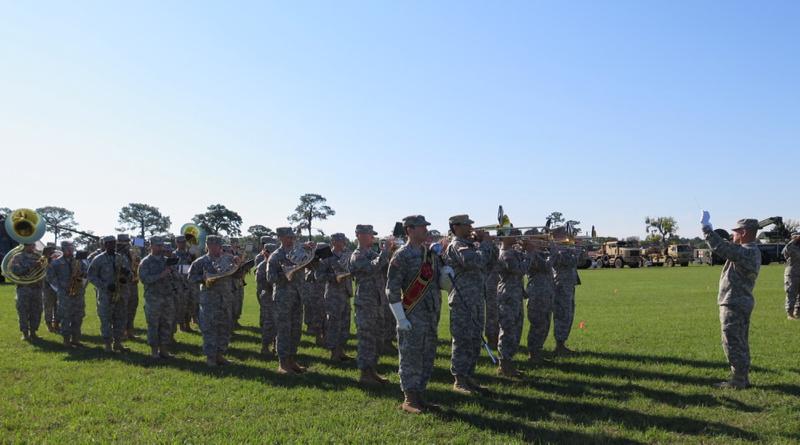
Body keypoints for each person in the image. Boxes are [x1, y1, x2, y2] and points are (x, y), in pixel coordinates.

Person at [386, 215, 448, 413]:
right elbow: (391, 289)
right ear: (409, 230)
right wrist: (400, 318)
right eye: (422, 227)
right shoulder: (401, 256)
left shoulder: (429, 254)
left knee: (427, 356)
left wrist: (447, 273)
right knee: (411, 356)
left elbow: (439, 283)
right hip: (411, 314)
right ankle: (409, 399)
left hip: (430, 314)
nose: (426, 230)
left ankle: (420, 396)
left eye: (426, 226)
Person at [701, 212, 761, 389]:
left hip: (734, 302)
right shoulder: (749, 251)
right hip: (739, 302)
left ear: (743, 232)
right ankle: (742, 378)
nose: (732, 234)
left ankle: (738, 380)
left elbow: (720, 246)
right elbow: (726, 247)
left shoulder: (748, 251)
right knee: (740, 341)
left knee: (732, 342)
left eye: (735, 232)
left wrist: (706, 228)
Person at [444, 214, 496, 395]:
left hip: (475, 299)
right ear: (456, 227)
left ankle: (468, 376)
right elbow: (474, 262)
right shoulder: (457, 244)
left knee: (474, 340)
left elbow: (490, 262)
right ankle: (459, 380)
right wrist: (485, 244)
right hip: (462, 300)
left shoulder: (470, 244)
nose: (471, 228)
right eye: (467, 225)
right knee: (462, 340)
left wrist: (489, 245)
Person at [350, 224, 393, 385]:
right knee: (367, 339)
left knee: (377, 338)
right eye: (370, 234)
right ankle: (364, 374)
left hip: (378, 301)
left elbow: (385, 267)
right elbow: (371, 268)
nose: (373, 237)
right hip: (366, 303)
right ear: (359, 235)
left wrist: (391, 254)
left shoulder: (372, 253)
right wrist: (385, 252)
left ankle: (372, 370)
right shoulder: (357, 255)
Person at [188, 235, 239, 367]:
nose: (217, 248)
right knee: (210, 329)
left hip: (226, 299)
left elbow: (235, 273)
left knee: (225, 328)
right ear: (208, 246)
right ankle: (210, 358)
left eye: (219, 245)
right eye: (214, 245)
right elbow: (191, 278)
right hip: (209, 301)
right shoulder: (200, 262)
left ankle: (220, 355)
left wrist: (238, 264)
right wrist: (204, 279)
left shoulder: (227, 259)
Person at [267, 227, 311, 374]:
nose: (291, 240)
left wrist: (311, 253)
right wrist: (284, 272)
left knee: (296, 330)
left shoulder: (298, 251)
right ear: (280, 238)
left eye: (293, 237)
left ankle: (292, 360)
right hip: (283, 298)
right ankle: (283, 363)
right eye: (288, 237)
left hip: (298, 296)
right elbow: (270, 278)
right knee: (284, 330)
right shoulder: (275, 256)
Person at [88, 236, 133, 352]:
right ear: (104, 245)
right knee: (106, 320)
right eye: (109, 243)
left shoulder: (121, 258)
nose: (113, 245)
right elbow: (91, 276)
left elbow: (130, 275)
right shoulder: (98, 259)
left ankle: (118, 343)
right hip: (105, 295)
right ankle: (108, 345)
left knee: (120, 319)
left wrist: (126, 274)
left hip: (120, 294)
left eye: (114, 243)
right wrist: (105, 285)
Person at [315, 234, 353, 362]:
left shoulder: (348, 255)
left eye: (344, 240)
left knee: (344, 323)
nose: (343, 242)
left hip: (345, 293)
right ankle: (333, 352)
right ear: (333, 242)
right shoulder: (326, 257)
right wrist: (334, 276)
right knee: (333, 324)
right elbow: (319, 276)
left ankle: (341, 350)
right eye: (340, 240)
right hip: (333, 294)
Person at [496, 230, 529, 377]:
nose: (517, 235)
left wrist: (526, 249)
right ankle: (504, 364)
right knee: (508, 329)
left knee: (516, 328)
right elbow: (520, 270)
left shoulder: (512, 252)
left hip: (515, 294)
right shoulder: (506, 254)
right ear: (504, 237)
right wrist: (531, 253)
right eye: (512, 233)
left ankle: (508, 362)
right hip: (508, 295)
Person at [139, 237, 178, 359]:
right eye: (157, 245)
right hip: (153, 298)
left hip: (167, 297)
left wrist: (173, 272)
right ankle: (154, 351)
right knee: (153, 325)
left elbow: (177, 277)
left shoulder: (167, 260)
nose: (160, 248)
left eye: (161, 245)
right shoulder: (145, 262)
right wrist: (161, 275)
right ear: (151, 246)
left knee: (166, 324)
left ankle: (164, 350)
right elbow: (144, 279)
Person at [47, 240, 88, 347]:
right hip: (65, 294)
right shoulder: (55, 263)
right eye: (68, 248)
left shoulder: (80, 261)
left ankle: (76, 339)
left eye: (72, 247)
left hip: (78, 294)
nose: (70, 250)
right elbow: (50, 278)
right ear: (63, 249)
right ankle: (66, 341)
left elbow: (86, 274)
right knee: (66, 317)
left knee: (78, 316)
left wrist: (82, 280)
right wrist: (60, 289)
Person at [525, 241, 556, 363]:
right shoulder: (531, 254)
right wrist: (553, 252)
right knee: (538, 325)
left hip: (546, 294)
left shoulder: (540, 254)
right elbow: (546, 266)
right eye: (539, 239)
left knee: (545, 324)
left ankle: (537, 352)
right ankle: (533, 354)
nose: (542, 242)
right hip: (537, 295)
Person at [11, 243, 45, 341]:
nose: (33, 247)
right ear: (25, 246)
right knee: (23, 311)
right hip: (24, 288)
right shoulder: (17, 257)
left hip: (37, 288)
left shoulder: (38, 256)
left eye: (33, 245)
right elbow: (15, 270)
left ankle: (33, 332)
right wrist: (32, 266)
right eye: (30, 245)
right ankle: (25, 334)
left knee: (37, 310)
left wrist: (44, 263)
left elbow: (45, 270)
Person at [552, 243, 579, 356]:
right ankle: (559, 346)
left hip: (568, 285)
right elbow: (569, 261)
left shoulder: (564, 250)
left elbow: (579, 261)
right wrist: (574, 252)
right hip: (562, 285)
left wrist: (579, 251)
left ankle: (562, 344)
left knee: (568, 314)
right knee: (562, 314)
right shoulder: (557, 250)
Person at [255, 242, 277, 357]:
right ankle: (265, 347)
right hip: (267, 297)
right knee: (268, 323)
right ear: (265, 252)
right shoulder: (262, 266)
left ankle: (275, 346)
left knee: (278, 323)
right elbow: (262, 284)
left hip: (277, 297)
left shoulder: (276, 264)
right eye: (270, 252)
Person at [782, 233, 800, 320]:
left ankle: (797, 313)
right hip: (792, 274)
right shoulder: (790, 247)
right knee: (791, 294)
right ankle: (790, 314)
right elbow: (785, 251)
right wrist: (793, 240)